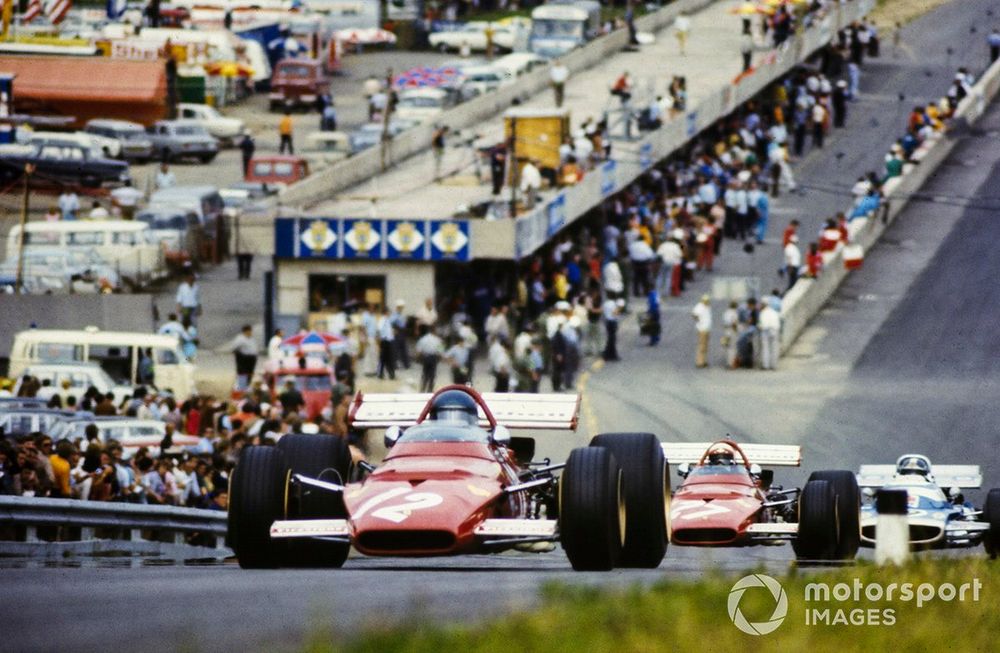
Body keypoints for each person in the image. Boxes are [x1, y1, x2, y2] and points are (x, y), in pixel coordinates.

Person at [225, 325, 257, 391]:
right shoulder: (240, 338)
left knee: (250, 373)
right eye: (249, 331)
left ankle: (247, 385)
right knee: (243, 372)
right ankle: (241, 386)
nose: (251, 333)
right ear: (245, 331)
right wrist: (238, 354)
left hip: (252, 358)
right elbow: (234, 347)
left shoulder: (251, 338)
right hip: (244, 358)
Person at [414, 325, 444, 393]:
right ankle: (430, 389)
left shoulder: (423, 339)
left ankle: (422, 389)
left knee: (425, 373)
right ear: (435, 332)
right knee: (432, 374)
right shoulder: (438, 340)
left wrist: (417, 358)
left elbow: (419, 350)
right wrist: (441, 358)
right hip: (433, 357)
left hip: (425, 357)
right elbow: (441, 350)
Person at [758, 300, 780, 370]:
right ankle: (774, 365)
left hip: (766, 331)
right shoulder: (774, 312)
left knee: (766, 348)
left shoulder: (763, 313)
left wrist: (759, 326)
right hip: (775, 330)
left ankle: (766, 365)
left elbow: (763, 325)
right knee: (774, 348)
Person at [691, 294, 712, 368]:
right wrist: (698, 321)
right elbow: (694, 314)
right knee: (701, 346)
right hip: (702, 329)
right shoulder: (699, 307)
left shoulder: (707, 306)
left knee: (705, 346)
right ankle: (699, 362)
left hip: (707, 328)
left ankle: (704, 360)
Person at [602, 297, 623, 362]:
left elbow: (603, 313)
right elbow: (614, 313)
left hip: (607, 322)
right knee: (612, 340)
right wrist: (620, 308)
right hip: (612, 322)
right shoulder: (613, 304)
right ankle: (608, 355)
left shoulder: (605, 303)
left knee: (610, 339)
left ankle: (609, 354)